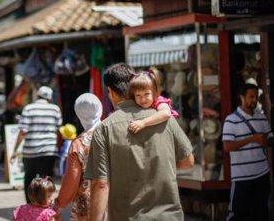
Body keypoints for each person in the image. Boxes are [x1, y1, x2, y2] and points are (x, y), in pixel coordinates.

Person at [86, 63, 194, 221]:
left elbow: (101, 184)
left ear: (111, 92)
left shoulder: (105, 128)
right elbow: (188, 161)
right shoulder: (165, 118)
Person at [222, 83, 273, 221]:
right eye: (251, 96)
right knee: (236, 215)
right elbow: (227, 147)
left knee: (261, 213)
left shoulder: (261, 117)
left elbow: (271, 140)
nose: (254, 100)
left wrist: (265, 141)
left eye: (256, 97)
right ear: (242, 98)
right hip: (242, 177)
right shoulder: (231, 120)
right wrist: (252, 139)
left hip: (261, 173)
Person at [54, 93, 104, 221]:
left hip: (87, 205)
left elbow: (72, 179)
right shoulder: (113, 134)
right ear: (100, 109)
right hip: (115, 200)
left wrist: (59, 204)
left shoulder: (79, 143)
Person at [10, 85, 62, 203]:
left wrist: (15, 150)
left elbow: (23, 131)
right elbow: (58, 130)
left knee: (29, 178)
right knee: (47, 179)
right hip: (49, 150)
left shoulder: (28, 108)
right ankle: (46, 204)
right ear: (49, 98)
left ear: (37, 95)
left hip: (31, 151)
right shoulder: (55, 109)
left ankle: (30, 205)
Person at [126, 69, 179, 134]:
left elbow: (166, 113)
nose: (143, 99)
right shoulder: (134, 103)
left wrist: (143, 123)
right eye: (138, 95)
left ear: (154, 92)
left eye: (146, 94)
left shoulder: (159, 101)